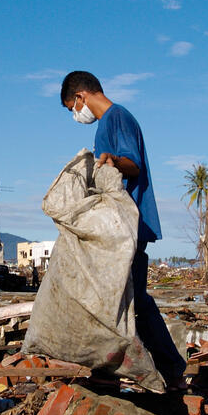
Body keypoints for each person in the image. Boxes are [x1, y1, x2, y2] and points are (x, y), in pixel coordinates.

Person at [60, 70, 186, 386]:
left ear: (80, 97)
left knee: (123, 300)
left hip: (127, 225)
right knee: (127, 300)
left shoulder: (116, 118)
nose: (76, 115)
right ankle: (156, 370)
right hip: (122, 226)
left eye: (72, 108)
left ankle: (159, 370)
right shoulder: (111, 122)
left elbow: (132, 163)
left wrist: (111, 160)